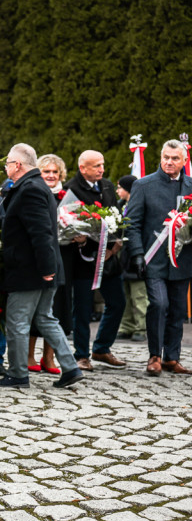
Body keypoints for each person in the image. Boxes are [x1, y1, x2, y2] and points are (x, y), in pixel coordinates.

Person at [0, 144, 83, 389]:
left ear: (17, 165)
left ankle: (18, 374)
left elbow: (40, 233)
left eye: (8, 162)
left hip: (32, 270)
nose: (6, 166)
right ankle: (70, 367)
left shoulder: (29, 189)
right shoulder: (33, 186)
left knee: (18, 322)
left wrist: (46, 269)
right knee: (45, 318)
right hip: (43, 268)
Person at [125, 140, 192, 376]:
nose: (169, 162)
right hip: (153, 259)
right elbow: (131, 223)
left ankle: (171, 358)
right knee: (159, 303)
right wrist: (137, 253)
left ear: (184, 161)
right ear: (160, 158)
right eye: (166, 157)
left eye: (175, 158)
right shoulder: (144, 185)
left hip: (182, 260)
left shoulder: (191, 186)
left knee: (177, 310)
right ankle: (155, 355)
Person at [61, 150, 126, 371]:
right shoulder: (71, 189)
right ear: (83, 168)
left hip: (109, 258)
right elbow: (68, 221)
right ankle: (81, 354)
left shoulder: (107, 185)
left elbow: (117, 216)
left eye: (102, 165)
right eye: (96, 166)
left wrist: (117, 244)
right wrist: (78, 239)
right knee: (83, 308)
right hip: (84, 260)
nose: (101, 169)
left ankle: (102, 348)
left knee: (118, 303)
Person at [27, 153, 72, 372]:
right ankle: (28, 356)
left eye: (55, 172)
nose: (51, 175)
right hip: (39, 259)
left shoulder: (67, 197)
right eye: (47, 171)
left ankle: (49, 357)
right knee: (36, 310)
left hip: (62, 260)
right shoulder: (33, 192)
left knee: (57, 311)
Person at [115, 174, 147, 342]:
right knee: (125, 294)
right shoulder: (119, 206)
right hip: (123, 257)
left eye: (120, 187)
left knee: (139, 295)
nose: (117, 190)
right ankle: (126, 325)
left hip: (136, 255)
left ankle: (141, 327)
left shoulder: (139, 205)